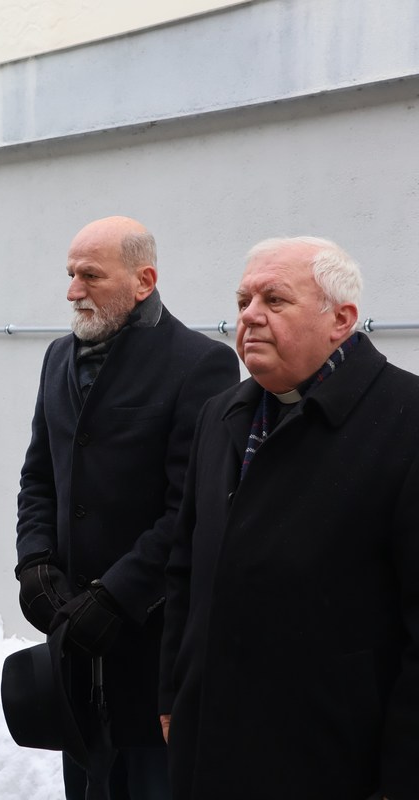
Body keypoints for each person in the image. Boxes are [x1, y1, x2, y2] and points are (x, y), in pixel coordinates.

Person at [159, 237, 419, 800]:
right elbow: (185, 569)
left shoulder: (406, 421)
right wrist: (172, 696)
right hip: (208, 747)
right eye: (243, 301)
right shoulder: (220, 414)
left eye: (274, 300)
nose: (250, 316)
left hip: (331, 761)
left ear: (341, 319)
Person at [14, 216, 238, 799]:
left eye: (91, 275)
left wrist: (118, 595)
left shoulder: (200, 363)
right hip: (72, 648)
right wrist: (34, 561)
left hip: (152, 652)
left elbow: (190, 507)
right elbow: (39, 475)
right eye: (70, 274)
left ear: (144, 281)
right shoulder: (58, 357)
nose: (73, 290)